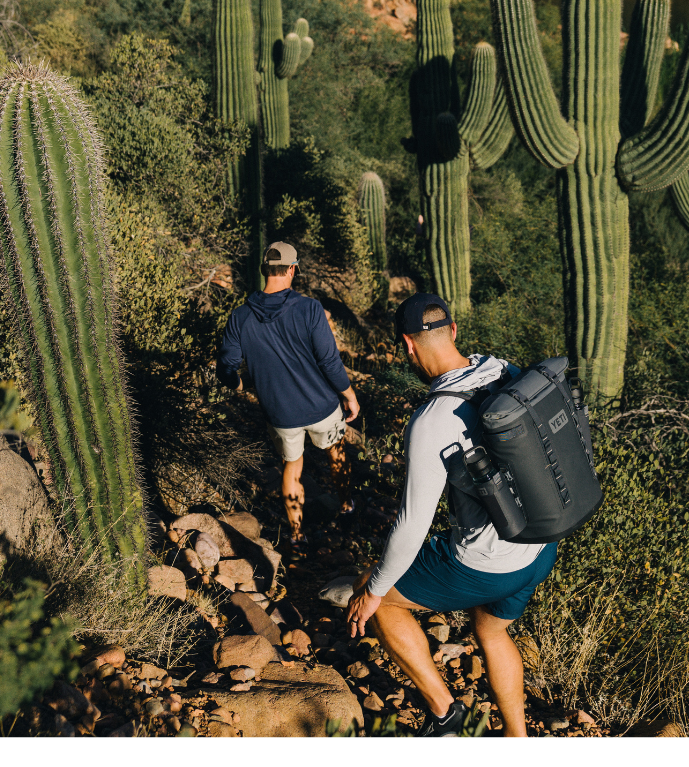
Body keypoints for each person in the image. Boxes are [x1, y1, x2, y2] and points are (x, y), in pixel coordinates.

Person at [342, 292, 558, 739]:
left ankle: (446, 716)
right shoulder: (505, 371)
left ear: (407, 346)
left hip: (490, 565)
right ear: (454, 331)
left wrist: (373, 590)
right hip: (542, 545)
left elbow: (411, 526)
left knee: (377, 594)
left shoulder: (432, 421)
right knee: (492, 632)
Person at [216, 242, 361, 548]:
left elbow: (225, 370)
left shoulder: (240, 317)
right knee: (336, 453)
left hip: (280, 414)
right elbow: (329, 361)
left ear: (262, 270)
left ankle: (297, 536)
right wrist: (348, 394)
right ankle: (347, 507)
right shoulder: (309, 309)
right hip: (322, 406)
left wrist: (243, 386)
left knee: (292, 468)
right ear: (294, 269)